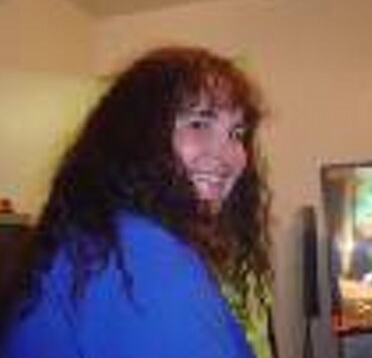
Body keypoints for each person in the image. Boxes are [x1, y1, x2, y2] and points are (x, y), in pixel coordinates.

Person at [0, 46, 274, 358]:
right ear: (136, 135)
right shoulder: (141, 255)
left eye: (236, 133)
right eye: (198, 123)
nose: (227, 156)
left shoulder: (101, 240)